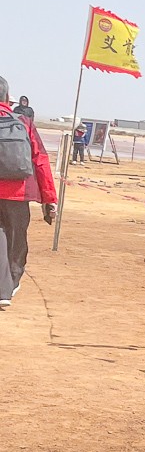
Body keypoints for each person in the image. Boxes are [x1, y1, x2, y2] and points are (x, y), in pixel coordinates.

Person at [0, 76, 59, 310]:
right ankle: (8, 286)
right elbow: (41, 161)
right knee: (16, 240)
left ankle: (4, 288)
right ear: (7, 98)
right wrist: (49, 199)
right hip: (19, 191)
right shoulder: (23, 122)